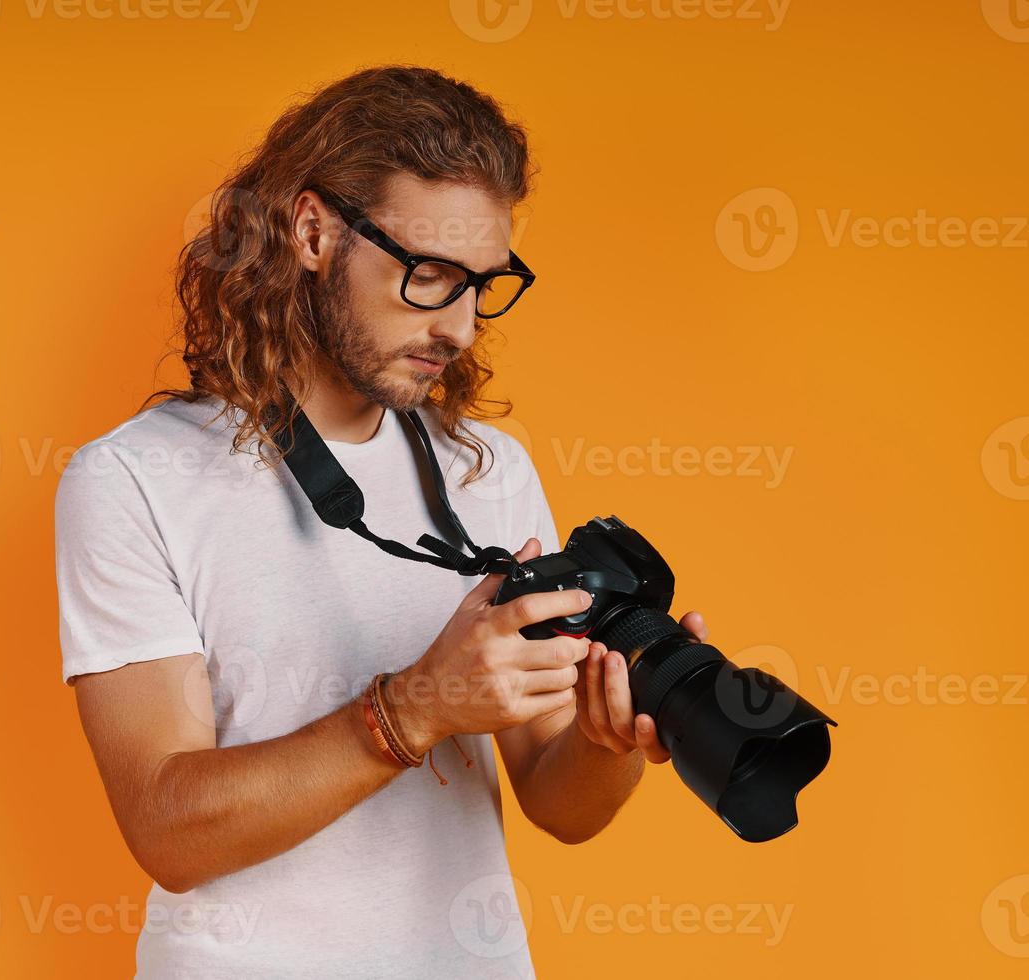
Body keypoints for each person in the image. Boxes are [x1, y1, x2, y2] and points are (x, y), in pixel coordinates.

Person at [54, 64, 707, 979]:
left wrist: (607, 742)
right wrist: (418, 706)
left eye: (484, 284)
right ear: (313, 231)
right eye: (431, 276)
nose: (462, 327)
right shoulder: (133, 478)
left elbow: (559, 807)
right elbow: (169, 829)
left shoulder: (490, 472)